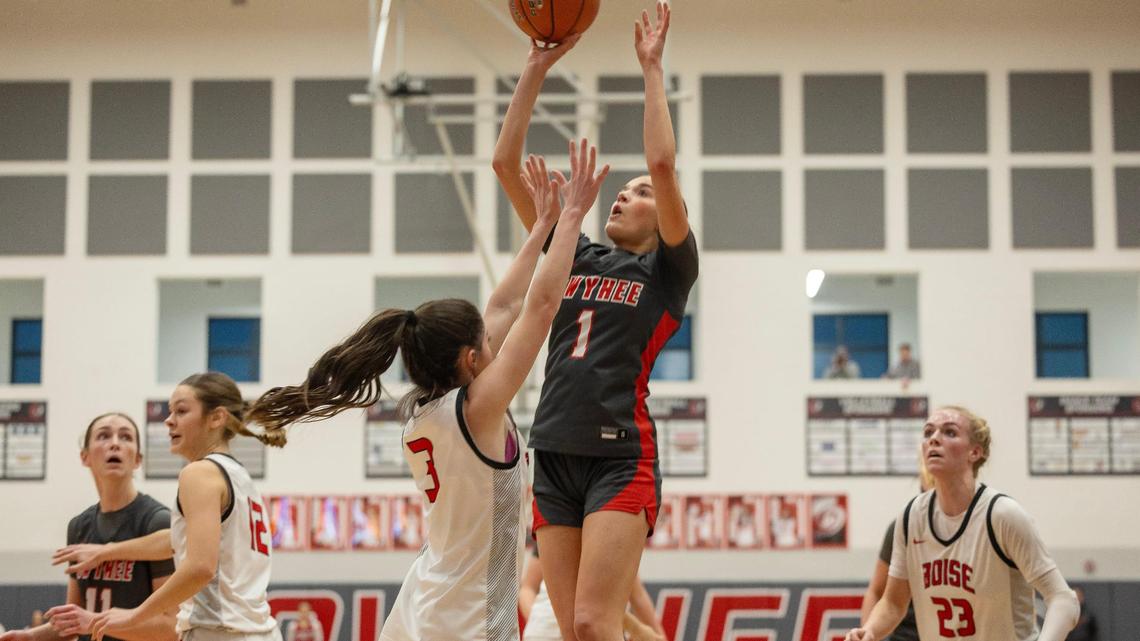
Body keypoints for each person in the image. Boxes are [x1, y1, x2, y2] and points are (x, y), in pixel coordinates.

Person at [245, 141, 608, 641]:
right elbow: (540, 308)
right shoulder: (477, 408)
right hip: (466, 614)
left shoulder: (425, 413)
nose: (493, 338)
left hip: (423, 601)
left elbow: (504, 306)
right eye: (485, 341)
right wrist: (569, 217)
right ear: (470, 359)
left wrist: (541, 227)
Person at [493, 4, 698, 640]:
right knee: (574, 631)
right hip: (552, 448)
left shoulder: (666, 273)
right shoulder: (572, 253)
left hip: (619, 455)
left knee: (592, 620)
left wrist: (652, 68)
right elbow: (505, 164)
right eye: (623, 188)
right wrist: (535, 66)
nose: (626, 193)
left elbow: (663, 165)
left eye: (638, 193)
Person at [845, 406, 1079, 641]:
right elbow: (894, 603)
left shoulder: (1002, 515)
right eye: (928, 433)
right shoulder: (910, 517)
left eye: (949, 432)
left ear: (975, 452)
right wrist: (871, 630)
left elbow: (1064, 600)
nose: (934, 439)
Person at [89, 372, 283, 641]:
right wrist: (107, 552)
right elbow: (179, 541)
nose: (169, 421)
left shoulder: (200, 473)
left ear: (216, 417)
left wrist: (134, 615)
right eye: (170, 411)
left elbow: (200, 566)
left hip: (218, 632)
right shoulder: (240, 476)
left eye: (181, 411)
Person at [0, 413, 177, 641]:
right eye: (104, 436)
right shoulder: (79, 526)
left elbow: (171, 627)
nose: (115, 443)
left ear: (138, 460)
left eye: (125, 437)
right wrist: (32, 636)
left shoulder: (157, 522)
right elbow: (74, 620)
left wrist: (94, 621)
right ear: (85, 457)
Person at [519, 548, 664, 641]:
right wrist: (637, 629)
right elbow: (592, 608)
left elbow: (638, 596)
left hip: (546, 631)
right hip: (552, 632)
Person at [858, 467, 934, 641]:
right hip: (906, 635)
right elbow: (877, 592)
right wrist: (868, 631)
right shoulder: (905, 526)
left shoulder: (986, 520)